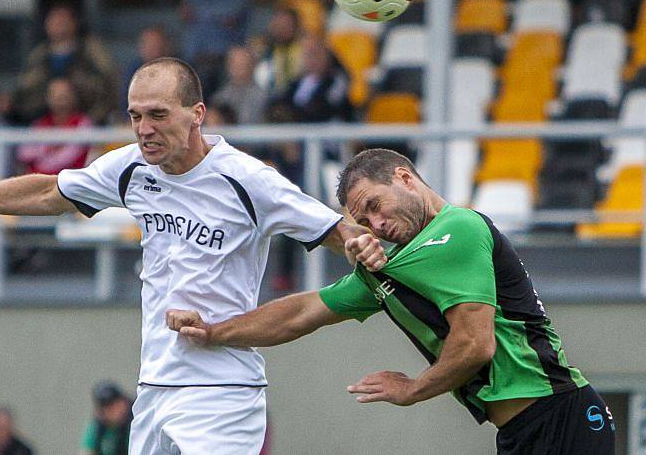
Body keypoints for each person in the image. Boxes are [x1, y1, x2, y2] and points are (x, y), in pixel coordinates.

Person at [0, 57, 382, 454]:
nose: (143, 128)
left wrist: (359, 242)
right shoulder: (131, 168)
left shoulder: (247, 179)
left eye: (158, 115)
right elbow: (48, 192)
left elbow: (334, 228)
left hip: (220, 387)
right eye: (135, 116)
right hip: (153, 386)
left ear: (196, 114)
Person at [167, 147, 616, 455]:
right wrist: (213, 331)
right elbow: (303, 312)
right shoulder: (391, 267)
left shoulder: (458, 228)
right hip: (522, 430)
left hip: (561, 416)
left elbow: (476, 344)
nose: (376, 224)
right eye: (363, 220)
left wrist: (413, 389)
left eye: (376, 205)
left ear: (405, 178)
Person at [11, 3, 118, 125]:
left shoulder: (93, 51)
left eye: (63, 20)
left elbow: (109, 82)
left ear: (74, 23)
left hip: (89, 119)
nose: (58, 24)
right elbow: (24, 88)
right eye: (54, 20)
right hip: (44, 122)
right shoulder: (38, 54)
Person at [180, 0, 251, 95]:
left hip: (223, 58)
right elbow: (185, 12)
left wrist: (200, 13)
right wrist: (214, 15)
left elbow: (231, 15)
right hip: (195, 56)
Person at [16, 78, 93, 175]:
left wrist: (43, 153)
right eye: (55, 94)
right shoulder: (40, 123)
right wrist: (48, 149)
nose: (60, 98)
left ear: (73, 96)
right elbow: (24, 153)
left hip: (69, 182)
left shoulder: (83, 123)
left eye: (64, 94)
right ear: (48, 98)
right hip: (39, 180)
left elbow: (67, 157)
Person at [211, 46, 267, 125]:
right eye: (234, 63)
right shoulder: (220, 98)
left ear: (252, 65)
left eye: (242, 63)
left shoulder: (263, 97)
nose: (238, 68)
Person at [79, 381, 132, 455]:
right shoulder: (98, 428)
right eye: (108, 408)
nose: (115, 410)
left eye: (116, 404)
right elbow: (88, 450)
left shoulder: (134, 422)